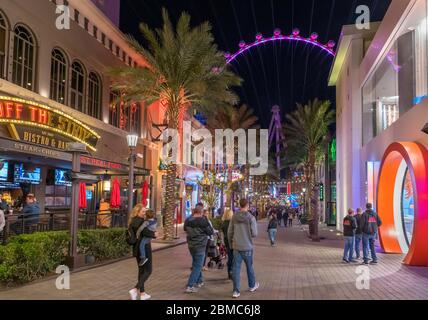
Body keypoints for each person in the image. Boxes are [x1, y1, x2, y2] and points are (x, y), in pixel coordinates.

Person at [228, 199, 259, 298]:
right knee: (249, 267)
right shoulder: (251, 218)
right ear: (247, 205)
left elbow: (229, 232)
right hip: (247, 246)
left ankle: (236, 291)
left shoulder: (234, 217)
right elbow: (254, 233)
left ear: (239, 205)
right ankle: (252, 285)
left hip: (237, 247)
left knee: (236, 269)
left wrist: (230, 244)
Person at [128, 204, 157, 300]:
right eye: (143, 211)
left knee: (141, 271)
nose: (145, 213)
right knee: (148, 270)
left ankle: (143, 294)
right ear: (138, 212)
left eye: (145, 211)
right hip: (144, 248)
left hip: (137, 249)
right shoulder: (140, 221)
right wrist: (154, 234)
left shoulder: (133, 221)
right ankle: (135, 289)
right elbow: (145, 232)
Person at [184, 207, 214, 293]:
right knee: (198, 266)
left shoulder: (188, 220)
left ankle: (199, 281)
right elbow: (210, 232)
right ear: (201, 213)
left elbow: (185, 229)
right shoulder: (203, 221)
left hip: (191, 245)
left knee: (196, 263)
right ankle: (190, 285)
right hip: (200, 245)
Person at [221, 208, 234, 280]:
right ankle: (232, 272)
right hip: (232, 241)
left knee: (230, 256)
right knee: (233, 258)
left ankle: (229, 272)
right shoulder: (232, 222)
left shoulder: (223, 223)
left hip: (226, 241)